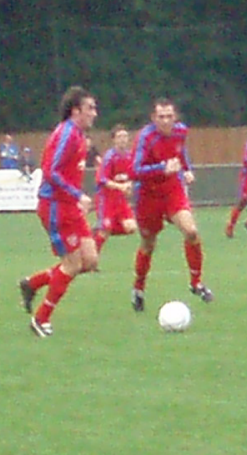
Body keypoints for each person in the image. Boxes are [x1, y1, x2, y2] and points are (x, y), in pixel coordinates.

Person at [18, 86, 99, 338]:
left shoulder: (77, 135)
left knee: (90, 261)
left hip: (68, 206)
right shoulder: (66, 134)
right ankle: (40, 320)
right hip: (55, 206)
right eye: (90, 108)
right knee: (73, 264)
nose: (95, 114)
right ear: (76, 111)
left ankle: (33, 283)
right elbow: (50, 171)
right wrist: (78, 196)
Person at [130, 97, 214, 312]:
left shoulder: (180, 132)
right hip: (148, 196)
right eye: (161, 117)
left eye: (169, 116)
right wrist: (161, 167)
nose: (166, 121)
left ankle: (196, 283)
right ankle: (138, 288)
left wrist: (187, 169)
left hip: (171, 190)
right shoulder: (145, 138)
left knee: (191, 231)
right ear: (153, 118)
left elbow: (180, 151)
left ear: (175, 117)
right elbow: (135, 171)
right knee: (148, 243)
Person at [93, 124, 137, 254]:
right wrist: (120, 186)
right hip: (106, 198)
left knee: (131, 228)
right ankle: (92, 258)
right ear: (114, 140)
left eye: (125, 136)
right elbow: (102, 179)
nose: (123, 139)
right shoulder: (109, 157)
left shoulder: (130, 156)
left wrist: (129, 185)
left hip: (120, 199)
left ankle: (98, 230)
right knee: (105, 229)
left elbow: (134, 175)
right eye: (119, 136)